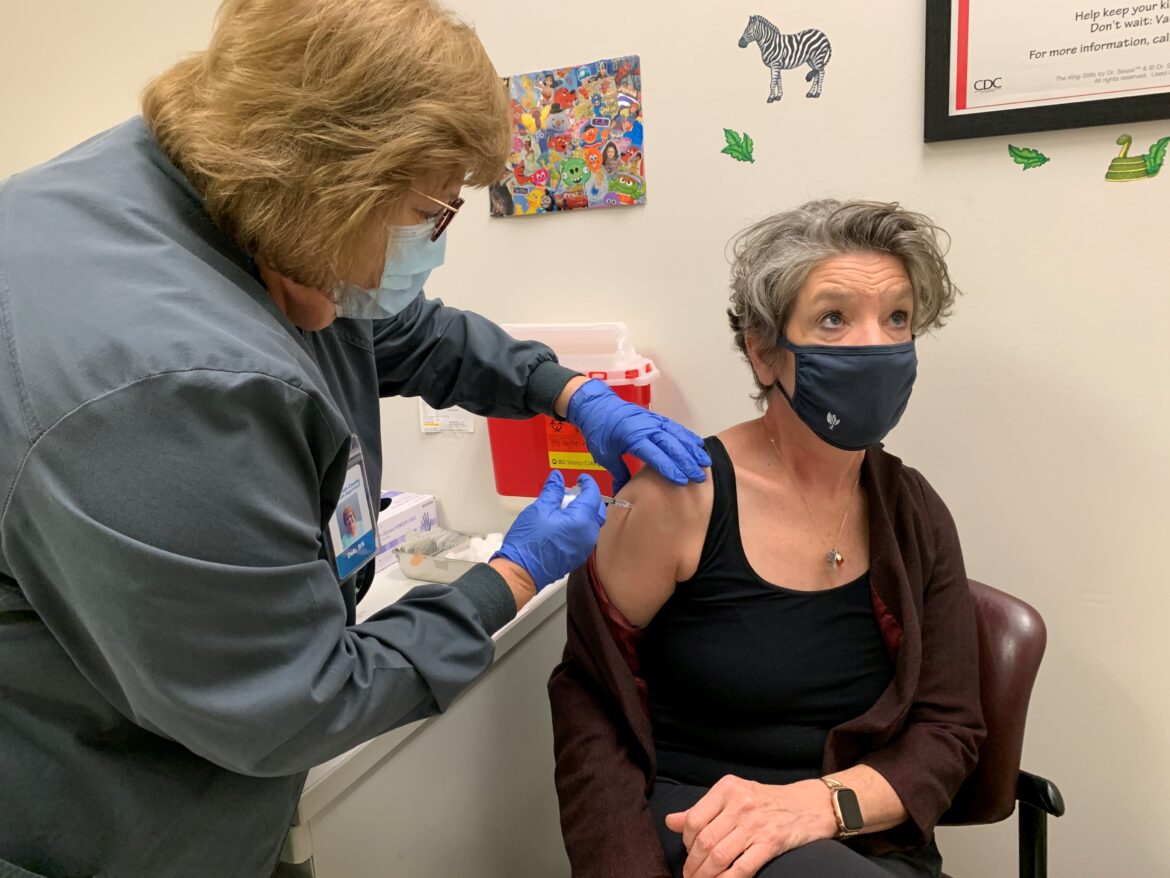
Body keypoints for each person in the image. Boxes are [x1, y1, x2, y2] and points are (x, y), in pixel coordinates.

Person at [0, 1, 709, 876]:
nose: (434, 240)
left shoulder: (231, 192)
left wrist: (563, 389)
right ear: (338, 187)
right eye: (431, 212)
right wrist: (513, 576)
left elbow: (393, 328)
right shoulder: (166, 388)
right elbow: (296, 703)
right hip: (104, 822)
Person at [549, 200, 986, 878]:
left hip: (859, 832)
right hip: (704, 834)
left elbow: (949, 729)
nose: (875, 344)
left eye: (897, 317)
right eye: (834, 318)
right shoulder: (679, 496)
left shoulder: (913, 511)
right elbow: (590, 703)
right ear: (762, 351)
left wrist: (821, 806)